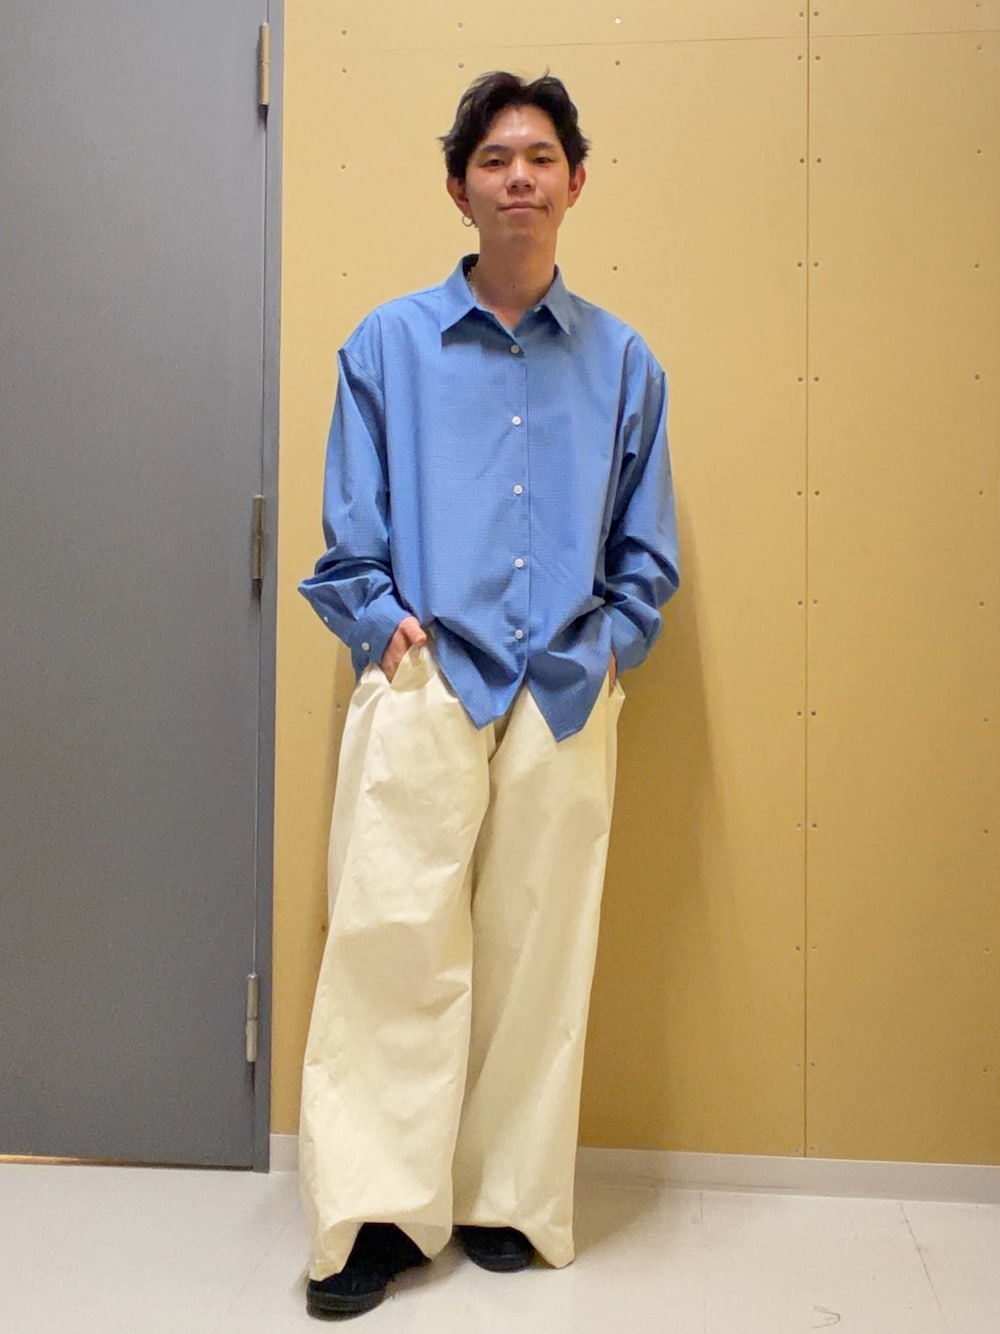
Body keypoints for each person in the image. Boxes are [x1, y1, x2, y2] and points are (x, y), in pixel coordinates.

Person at [297, 70, 679, 1320]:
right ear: (457, 187)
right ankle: (374, 1215)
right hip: (425, 672)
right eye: (495, 159)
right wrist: (379, 625)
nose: (519, 176)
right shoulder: (386, 345)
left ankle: (506, 1197)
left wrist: (616, 636)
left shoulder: (624, 361)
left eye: (541, 156)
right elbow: (347, 528)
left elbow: (646, 545)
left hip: (564, 684)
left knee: (539, 948)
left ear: (577, 181)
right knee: (390, 944)